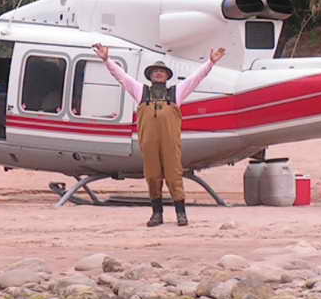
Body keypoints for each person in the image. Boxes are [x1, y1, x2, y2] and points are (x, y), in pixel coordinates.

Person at [93, 43, 226, 227]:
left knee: (174, 176)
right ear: (150, 76)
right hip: (149, 144)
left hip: (171, 144)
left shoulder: (176, 93)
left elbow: (195, 79)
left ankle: (181, 213)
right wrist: (106, 60)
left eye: (161, 71)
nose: (158, 73)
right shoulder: (141, 91)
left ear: (167, 76)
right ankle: (157, 214)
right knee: (153, 177)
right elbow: (121, 77)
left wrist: (210, 63)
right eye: (155, 71)